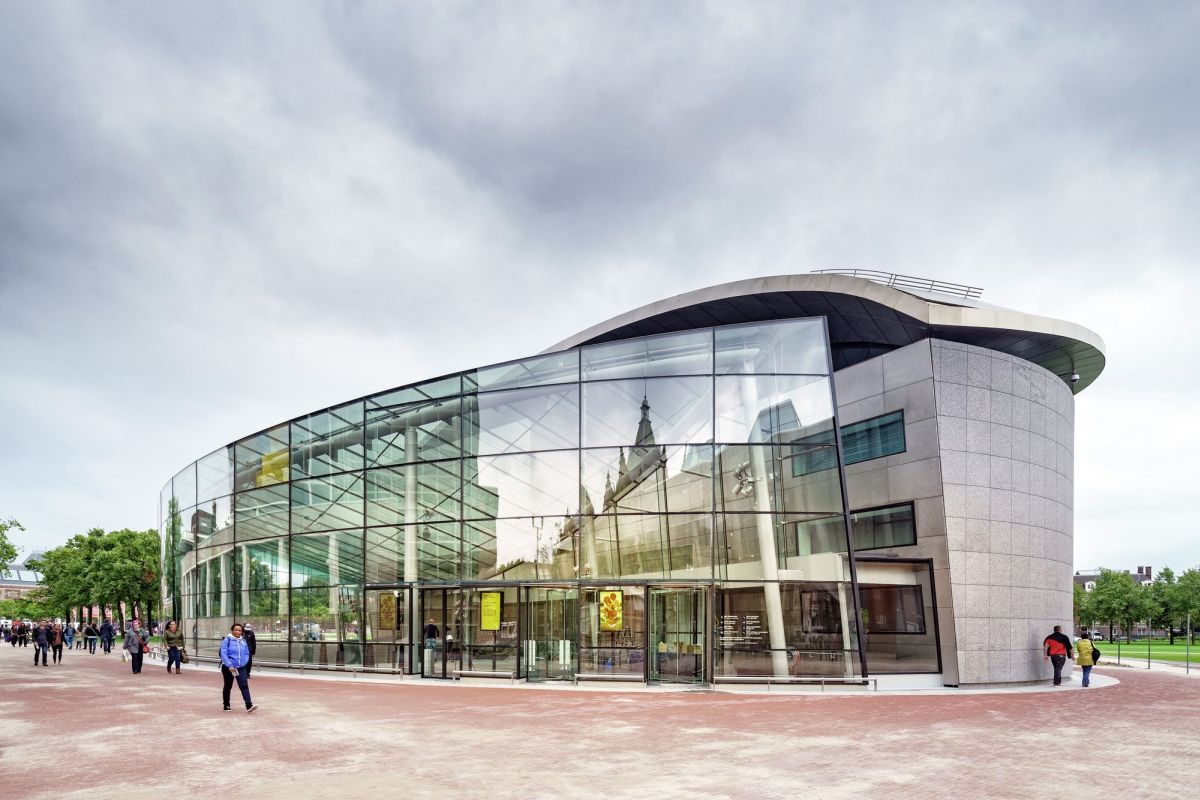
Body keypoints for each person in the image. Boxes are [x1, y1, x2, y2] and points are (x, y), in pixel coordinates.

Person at [219, 623, 257, 713]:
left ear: (242, 631)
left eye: (239, 630)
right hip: (229, 668)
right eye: (235, 630)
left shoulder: (242, 640)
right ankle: (226, 705)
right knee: (228, 686)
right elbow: (223, 653)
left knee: (244, 686)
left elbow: (247, 653)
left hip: (241, 667)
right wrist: (230, 665)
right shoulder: (227, 640)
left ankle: (249, 705)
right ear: (232, 630)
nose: (237, 632)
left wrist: (244, 662)